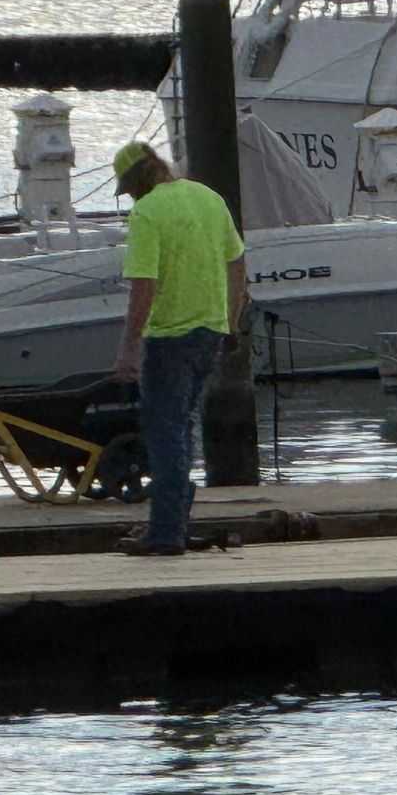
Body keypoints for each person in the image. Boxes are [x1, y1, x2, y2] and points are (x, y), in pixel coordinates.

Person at [111, 140, 247, 556]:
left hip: (169, 336)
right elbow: (238, 264)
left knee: (166, 433)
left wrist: (129, 349)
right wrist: (232, 321)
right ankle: (176, 522)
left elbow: (144, 287)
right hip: (210, 332)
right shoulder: (208, 198)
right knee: (185, 429)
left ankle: (165, 533)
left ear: (135, 182)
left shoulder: (147, 213)